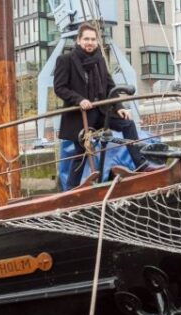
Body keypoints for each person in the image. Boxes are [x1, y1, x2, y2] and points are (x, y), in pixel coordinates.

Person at [53, 23, 149, 190]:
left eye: (92, 39)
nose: (89, 43)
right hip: (80, 116)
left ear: (97, 41)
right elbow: (59, 87)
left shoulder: (99, 59)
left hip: (101, 111)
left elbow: (109, 86)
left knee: (127, 123)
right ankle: (70, 190)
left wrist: (119, 106)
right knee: (80, 152)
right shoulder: (66, 60)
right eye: (86, 39)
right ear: (78, 40)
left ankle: (140, 164)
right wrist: (79, 100)